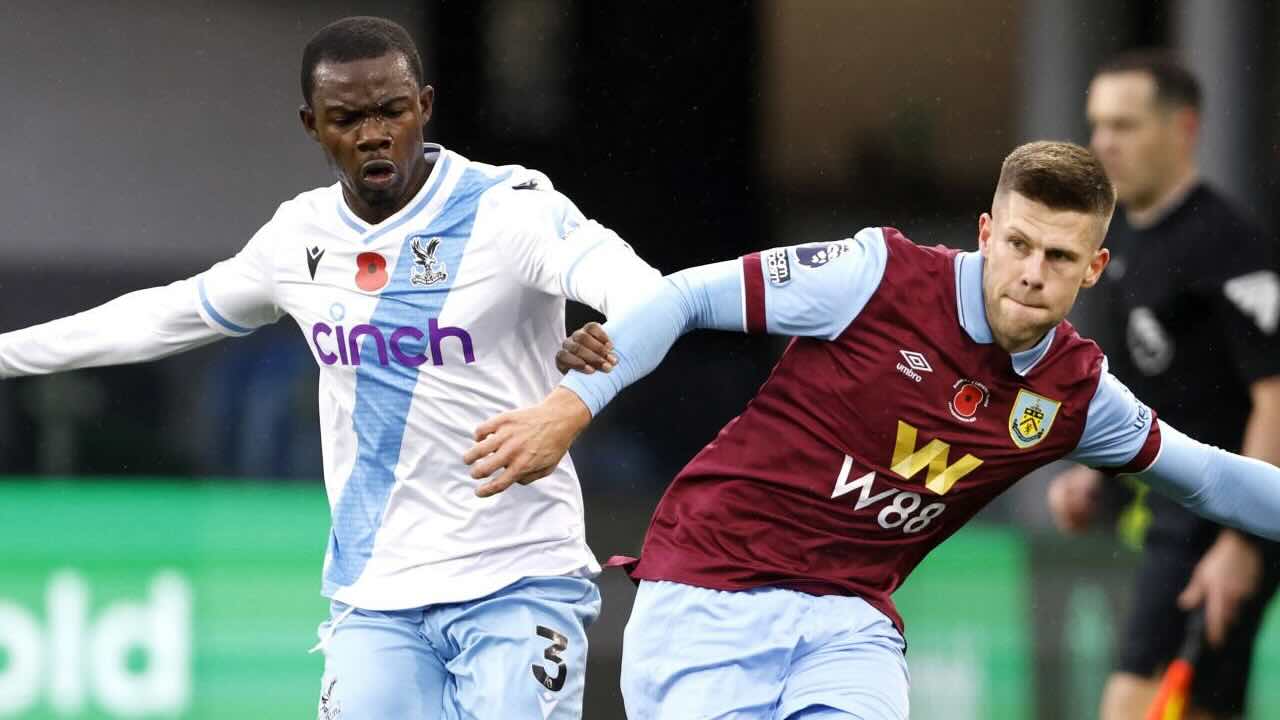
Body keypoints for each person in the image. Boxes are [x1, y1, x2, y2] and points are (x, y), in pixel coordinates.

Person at [463, 141, 1280, 720]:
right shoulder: (874, 276)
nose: (1033, 274)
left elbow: (1209, 476)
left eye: (1061, 258)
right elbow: (682, 298)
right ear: (987, 234)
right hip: (709, 590)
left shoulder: (1077, 391)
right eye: (1020, 244)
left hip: (847, 619)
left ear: (1094, 268)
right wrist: (568, 408)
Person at [0, 16, 660, 720]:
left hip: (518, 575)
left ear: (426, 106)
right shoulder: (298, 238)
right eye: (347, 118)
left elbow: (650, 296)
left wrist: (572, 404)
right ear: (313, 125)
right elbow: (159, 316)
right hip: (375, 597)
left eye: (393, 111)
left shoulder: (511, 211)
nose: (374, 134)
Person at [1046, 50, 1280, 720]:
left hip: (1226, 515)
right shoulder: (1126, 243)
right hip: (1177, 516)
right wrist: (1097, 478)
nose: (1102, 144)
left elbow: (1275, 398)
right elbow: (1146, 392)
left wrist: (1242, 541)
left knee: (1133, 707)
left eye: (1125, 125)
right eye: (1098, 125)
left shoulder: (1227, 245)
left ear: (1184, 128)